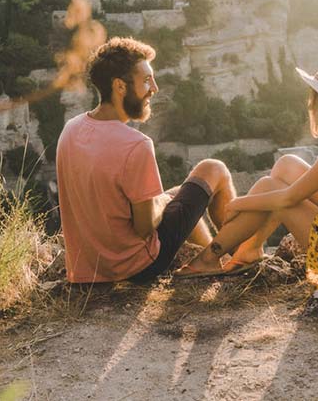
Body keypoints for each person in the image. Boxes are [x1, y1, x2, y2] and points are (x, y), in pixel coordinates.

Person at [177, 57, 318, 286]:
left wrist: (236, 204)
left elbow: (289, 197)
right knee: (287, 164)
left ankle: (211, 256)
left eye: (314, 95)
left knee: (272, 188)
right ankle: (249, 250)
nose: (310, 102)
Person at [56, 37, 237, 284]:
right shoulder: (136, 145)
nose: (155, 88)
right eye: (146, 80)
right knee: (214, 169)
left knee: (175, 197)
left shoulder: (70, 130)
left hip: (88, 270)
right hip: (135, 266)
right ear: (120, 86)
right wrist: (161, 200)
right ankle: (240, 258)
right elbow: (145, 228)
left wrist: (163, 199)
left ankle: (212, 261)